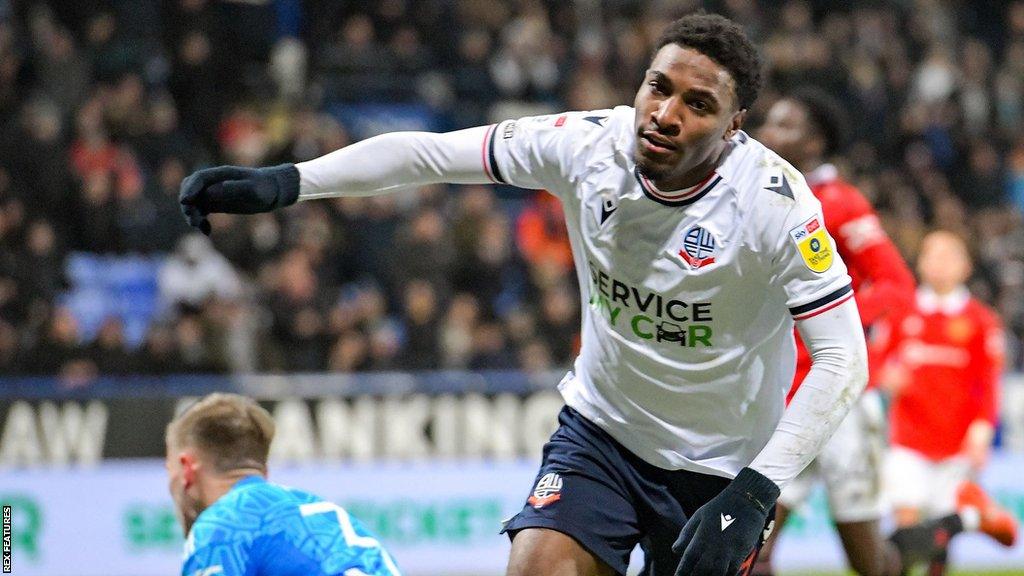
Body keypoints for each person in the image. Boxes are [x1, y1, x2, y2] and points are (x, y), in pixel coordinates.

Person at [179, 13, 869, 576]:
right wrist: (289, 182)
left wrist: (756, 489)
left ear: (734, 123)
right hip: (604, 435)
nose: (664, 113)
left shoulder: (776, 205)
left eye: (698, 104)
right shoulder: (584, 146)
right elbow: (428, 154)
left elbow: (844, 357)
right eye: (657, 87)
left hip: (719, 468)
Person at [753, 87, 1013, 576]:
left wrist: (827, 317)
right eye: (769, 121)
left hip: (836, 403)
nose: (767, 133)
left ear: (816, 143)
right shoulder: (761, 195)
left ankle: (965, 518)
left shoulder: (840, 203)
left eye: (785, 126)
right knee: (752, 541)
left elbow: (894, 283)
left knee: (871, 561)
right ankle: (966, 518)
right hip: (782, 396)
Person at [876, 231, 1018, 572]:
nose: (939, 263)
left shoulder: (981, 320)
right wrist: (884, 375)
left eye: (948, 255)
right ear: (921, 263)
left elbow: (988, 382)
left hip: (955, 443)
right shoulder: (901, 313)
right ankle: (973, 517)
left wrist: (983, 428)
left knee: (939, 537)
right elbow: (874, 359)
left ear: (966, 266)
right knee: (907, 526)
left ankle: (968, 518)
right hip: (907, 440)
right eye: (931, 255)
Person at [165, 393, 402, 576]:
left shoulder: (221, 525)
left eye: (170, 470)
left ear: (187, 469)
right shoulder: (321, 516)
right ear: (264, 472)